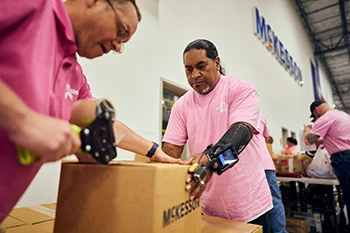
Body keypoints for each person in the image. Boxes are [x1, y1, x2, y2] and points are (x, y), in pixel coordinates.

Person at [0, 0, 178, 223]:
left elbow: (106, 125)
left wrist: (154, 151)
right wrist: (22, 122)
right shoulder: (32, 6)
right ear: (94, 2)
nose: (116, 46)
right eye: (120, 31)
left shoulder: (75, 75)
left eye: (122, 43)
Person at [162, 39, 272, 233]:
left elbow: (241, 133)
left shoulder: (240, 89)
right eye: (188, 69)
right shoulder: (181, 105)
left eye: (201, 66)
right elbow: (170, 151)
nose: (195, 74)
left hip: (250, 207)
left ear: (217, 63)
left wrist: (211, 161)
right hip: (206, 208)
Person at [304, 99, 350, 219]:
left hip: (344, 160)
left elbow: (308, 141)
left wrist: (307, 130)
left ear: (316, 110)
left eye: (315, 116)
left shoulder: (325, 118)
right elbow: (338, 137)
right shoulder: (343, 115)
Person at [259, 113, 287, 233]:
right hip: (266, 164)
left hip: (258, 165)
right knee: (274, 199)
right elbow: (268, 138)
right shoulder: (260, 115)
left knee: (269, 201)